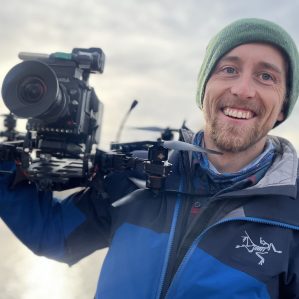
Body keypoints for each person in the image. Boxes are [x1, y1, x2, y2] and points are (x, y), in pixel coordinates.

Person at [1, 18, 299, 299]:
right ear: (203, 89)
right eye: (229, 70)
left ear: (284, 106)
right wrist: (5, 163)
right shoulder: (138, 174)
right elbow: (54, 235)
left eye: (265, 76)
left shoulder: (292, 215)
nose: (242, 89)